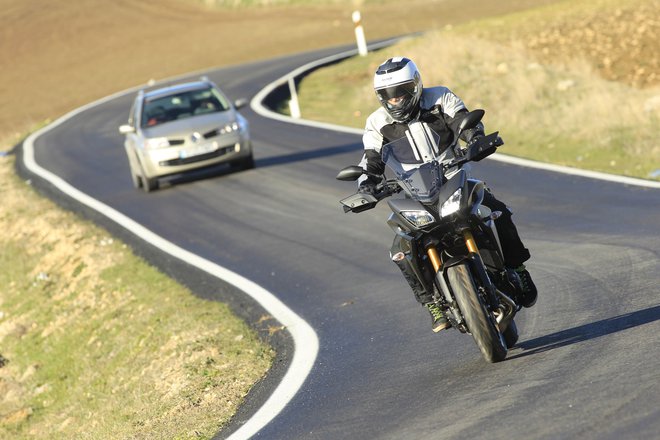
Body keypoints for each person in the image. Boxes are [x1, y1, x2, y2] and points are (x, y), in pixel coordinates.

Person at [357, 57, 537, 332]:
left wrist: (476, 139)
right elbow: (371, 158)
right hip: (413, 192)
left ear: (415, 86)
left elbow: (464, 121)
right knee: (400, 249)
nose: (395, 101)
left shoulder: (439, 97)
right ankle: (432, 302)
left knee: (497, 210)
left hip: (453, 176)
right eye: (388, 96)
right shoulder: (376, 122)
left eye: (401, 93)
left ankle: (518, 269)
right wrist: (367, 183)